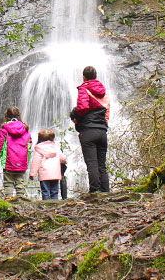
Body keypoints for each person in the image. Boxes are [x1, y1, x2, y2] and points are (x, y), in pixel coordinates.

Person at [70, 65, 110, 193]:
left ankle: (94, 191)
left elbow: (82, 108)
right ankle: (105, 191)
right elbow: (107, 112)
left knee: (92, 163)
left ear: (84, 77)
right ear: (96, 76)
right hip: (102, 130)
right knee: (101, 165)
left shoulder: (84, 88)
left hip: (88, 131)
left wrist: (75, 115)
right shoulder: (103, 91)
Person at [0, 106, 32, 198]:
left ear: (6, 116)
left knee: (8, 181)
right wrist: (27, 159)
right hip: (22, 160)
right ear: (19, 116)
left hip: (8, 160)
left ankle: (9, 199)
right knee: (20, 180)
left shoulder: (4, 129)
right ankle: (20, 199)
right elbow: (29, 145)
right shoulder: (25, 129)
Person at [29, 129, 67, 200]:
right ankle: (55, 205)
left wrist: (32, 174)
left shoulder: (39, 150)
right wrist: (63, 161)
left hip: (44, 174)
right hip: (55, 174)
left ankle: (46, 206)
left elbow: (35, 162)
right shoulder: (56, 148)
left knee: (45, 192)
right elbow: (63, 159)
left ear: (39, 139)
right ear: (52, 138)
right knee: (55, 192)